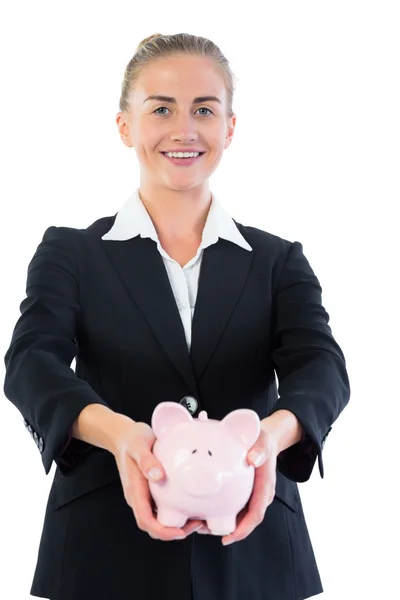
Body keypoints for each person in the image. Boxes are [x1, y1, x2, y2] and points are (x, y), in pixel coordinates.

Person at [3, 32, 350, 600]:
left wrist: (267, 440)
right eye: (161, 108)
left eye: (204, 110)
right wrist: (119, 436)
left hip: (255, 551)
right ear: (125, 126)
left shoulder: (277, 259)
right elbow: (31, 361)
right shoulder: (71, 252)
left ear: (229, 129)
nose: (183, 129)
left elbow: (321, 366)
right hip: (102, 548)